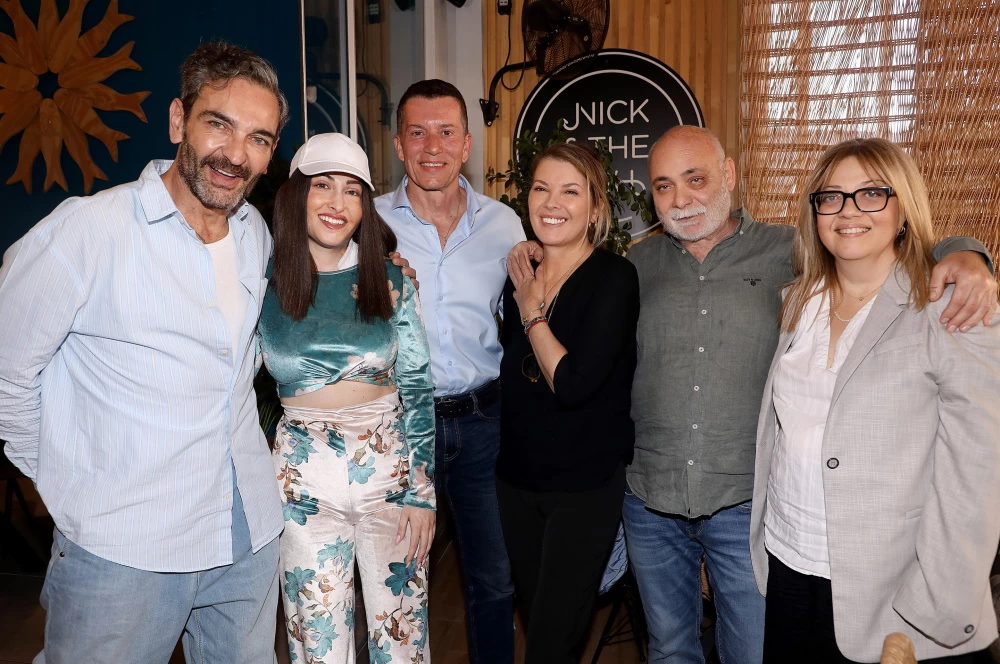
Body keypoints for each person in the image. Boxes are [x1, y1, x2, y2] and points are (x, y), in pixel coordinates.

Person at [618, 126, 997, 664]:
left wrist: (968, 253)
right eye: (663, 185)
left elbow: (882, 247)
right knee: (670, 649)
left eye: (695, 179)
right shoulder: (640, 266)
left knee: (749, 652)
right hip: (688, 510)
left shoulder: (788, 253)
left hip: (750, 507)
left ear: (728, 175)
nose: (681, 199)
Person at [0, 42, 287, 662]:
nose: (236, 155)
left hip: (246, 535)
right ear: (179, 120)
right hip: (125, 549)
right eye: (219, 124)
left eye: (259, 138)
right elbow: (7, 371)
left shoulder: (254, 234)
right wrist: (69, 486)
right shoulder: (88, 231)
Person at [750, 137, 1000, 663]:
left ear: (903, 208)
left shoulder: (949, 307)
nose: (848, 211)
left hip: (896, 590)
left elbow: (977, 474)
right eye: (831, 197)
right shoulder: (798, 302)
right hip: (791, 565)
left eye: (871, 193)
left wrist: (931, 607)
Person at [258, 132, 435, 663]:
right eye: (323, 186)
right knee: (318, 644)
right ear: (297, 194)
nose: (338, 203)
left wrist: (422, 492)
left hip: (391, 480)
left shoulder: (391, 277)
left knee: (402, 644)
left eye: (353, 191)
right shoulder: (261, 281)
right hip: (301, 485)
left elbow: (417, 383)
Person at [375, 79, 525, 663]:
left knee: (493, 578)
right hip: (397, 426)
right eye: (417, 132)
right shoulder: (368, 223)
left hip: (484, 425)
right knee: (394, 577)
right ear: (398, 144)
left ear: (466, 144)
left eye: (445, 132)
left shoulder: (504, 225)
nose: (431, 146)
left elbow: (530, 316)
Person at [496, 141, 639, 663]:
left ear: (595, 209)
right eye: (541, 189)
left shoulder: (614, 278)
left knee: (551, 642)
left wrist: (533, 313)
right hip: (516, 481)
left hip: (582, 487)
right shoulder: (519, 274)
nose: (552, 202)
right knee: (539, 620)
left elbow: (574, 384)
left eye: (570, 192)